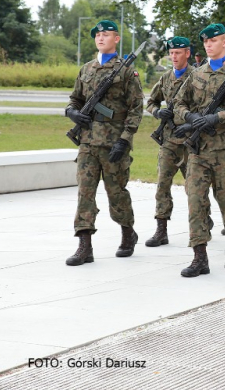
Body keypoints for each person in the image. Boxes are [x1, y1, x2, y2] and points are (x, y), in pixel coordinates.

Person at [172, 23, 225, 277]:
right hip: (198, 150)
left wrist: (218, 118)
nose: (209, 45)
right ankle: (200, 257)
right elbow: (178, 103)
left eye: (214, 40)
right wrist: (190, 117)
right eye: (206, 42)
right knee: (195, 201)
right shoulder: (196, 74)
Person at [64, 20, 144, 266]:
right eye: (98, 34)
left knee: (116, 194)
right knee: (85, 193)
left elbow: (136, 109)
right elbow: (75, 99)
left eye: (106, 34)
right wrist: (72, 113)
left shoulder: (126, 71)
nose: (101, 38)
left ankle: (128, 232)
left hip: (113, 144)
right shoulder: (86, 69)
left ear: (116, 39)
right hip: (87, 142)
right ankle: (84, 246)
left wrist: (125, 140)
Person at [144, 36, 195, 247]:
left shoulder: (198, 76)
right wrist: (158, 112)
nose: (174, 56)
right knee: (162, 184)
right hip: (169, 140)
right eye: (171, 53)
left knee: (194, 187)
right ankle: (161, 229)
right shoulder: (165, 78)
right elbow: (150, 101)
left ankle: (202, 223)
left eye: (178, 52)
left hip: (192, 141)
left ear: (187, 53)